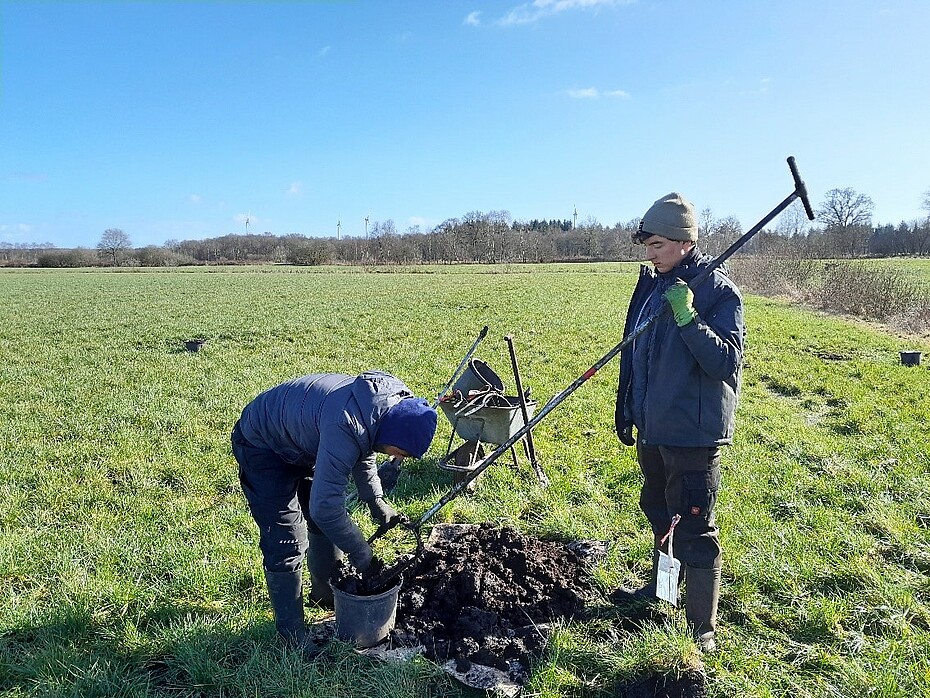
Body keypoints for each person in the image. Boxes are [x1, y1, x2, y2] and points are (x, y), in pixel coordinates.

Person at [614, 192, 745, 652]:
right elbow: (636, 353)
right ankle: (663, 593)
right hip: (655, 428)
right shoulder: (653, 286)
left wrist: (689, 317)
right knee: (660, 517)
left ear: (684, 242)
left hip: (692, 433)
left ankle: (701, 627)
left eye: (657, 246)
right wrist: (626, 409)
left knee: (693, 527)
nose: (650, 255)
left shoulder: (717, 292)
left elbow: (725, 362)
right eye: (646, 246)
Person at [232, 370, 438, 651]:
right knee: (287, 539)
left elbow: (363, 451)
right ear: (393, 432)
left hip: (303, 441)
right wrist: (361, 553)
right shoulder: (346, 422)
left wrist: (376, 501)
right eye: (400, 452)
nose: (397, 459)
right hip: (262, 443)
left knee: (323, 521)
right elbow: (326, 506)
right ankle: (292, 637)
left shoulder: (380, 410)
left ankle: (326, 595)